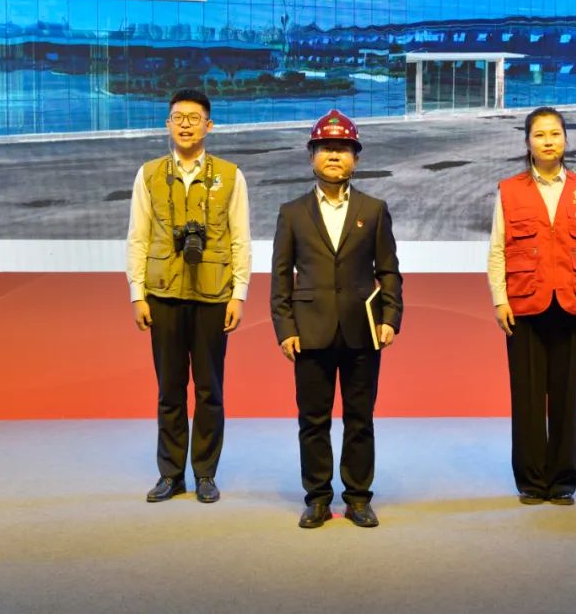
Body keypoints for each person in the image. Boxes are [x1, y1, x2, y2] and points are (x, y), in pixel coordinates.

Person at [270, 109, 403, 529]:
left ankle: (359, 498)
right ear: (311, 155)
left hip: (363, 331)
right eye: (326, 148)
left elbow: (389, 271)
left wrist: (390, 317)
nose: (334, 155)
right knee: (313, 420)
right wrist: (285, 329)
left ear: (355, 159)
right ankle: (318, 498)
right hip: (310, 331)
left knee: (360, 420)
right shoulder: (292, 213)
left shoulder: (374, 209)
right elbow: (280, 276)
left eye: (343, 149)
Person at [125, 88, 251, 504]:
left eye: (194, 118)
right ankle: (171, 474)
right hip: (162, 294)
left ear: (208, 125)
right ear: (167, 124)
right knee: (170, 390)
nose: (185, 124)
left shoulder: (231, 176)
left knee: (210, 390)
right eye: (178, 117)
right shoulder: (148, 175)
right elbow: (138, 237)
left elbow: (240, 239)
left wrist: (239, 294)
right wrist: (137, 294)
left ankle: (206, 474)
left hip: (214, 296)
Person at [487, 105, 576, 507]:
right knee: (527, 397)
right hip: (524, 303)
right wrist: (500, 299)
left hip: (572, 302)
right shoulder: (509, 190)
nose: (548, 141)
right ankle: (532, 481)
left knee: (566, 396)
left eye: (555, 133)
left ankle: (562, 481)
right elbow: (497, 250)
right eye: (539, 135)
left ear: (566, 140)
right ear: (528, 142)